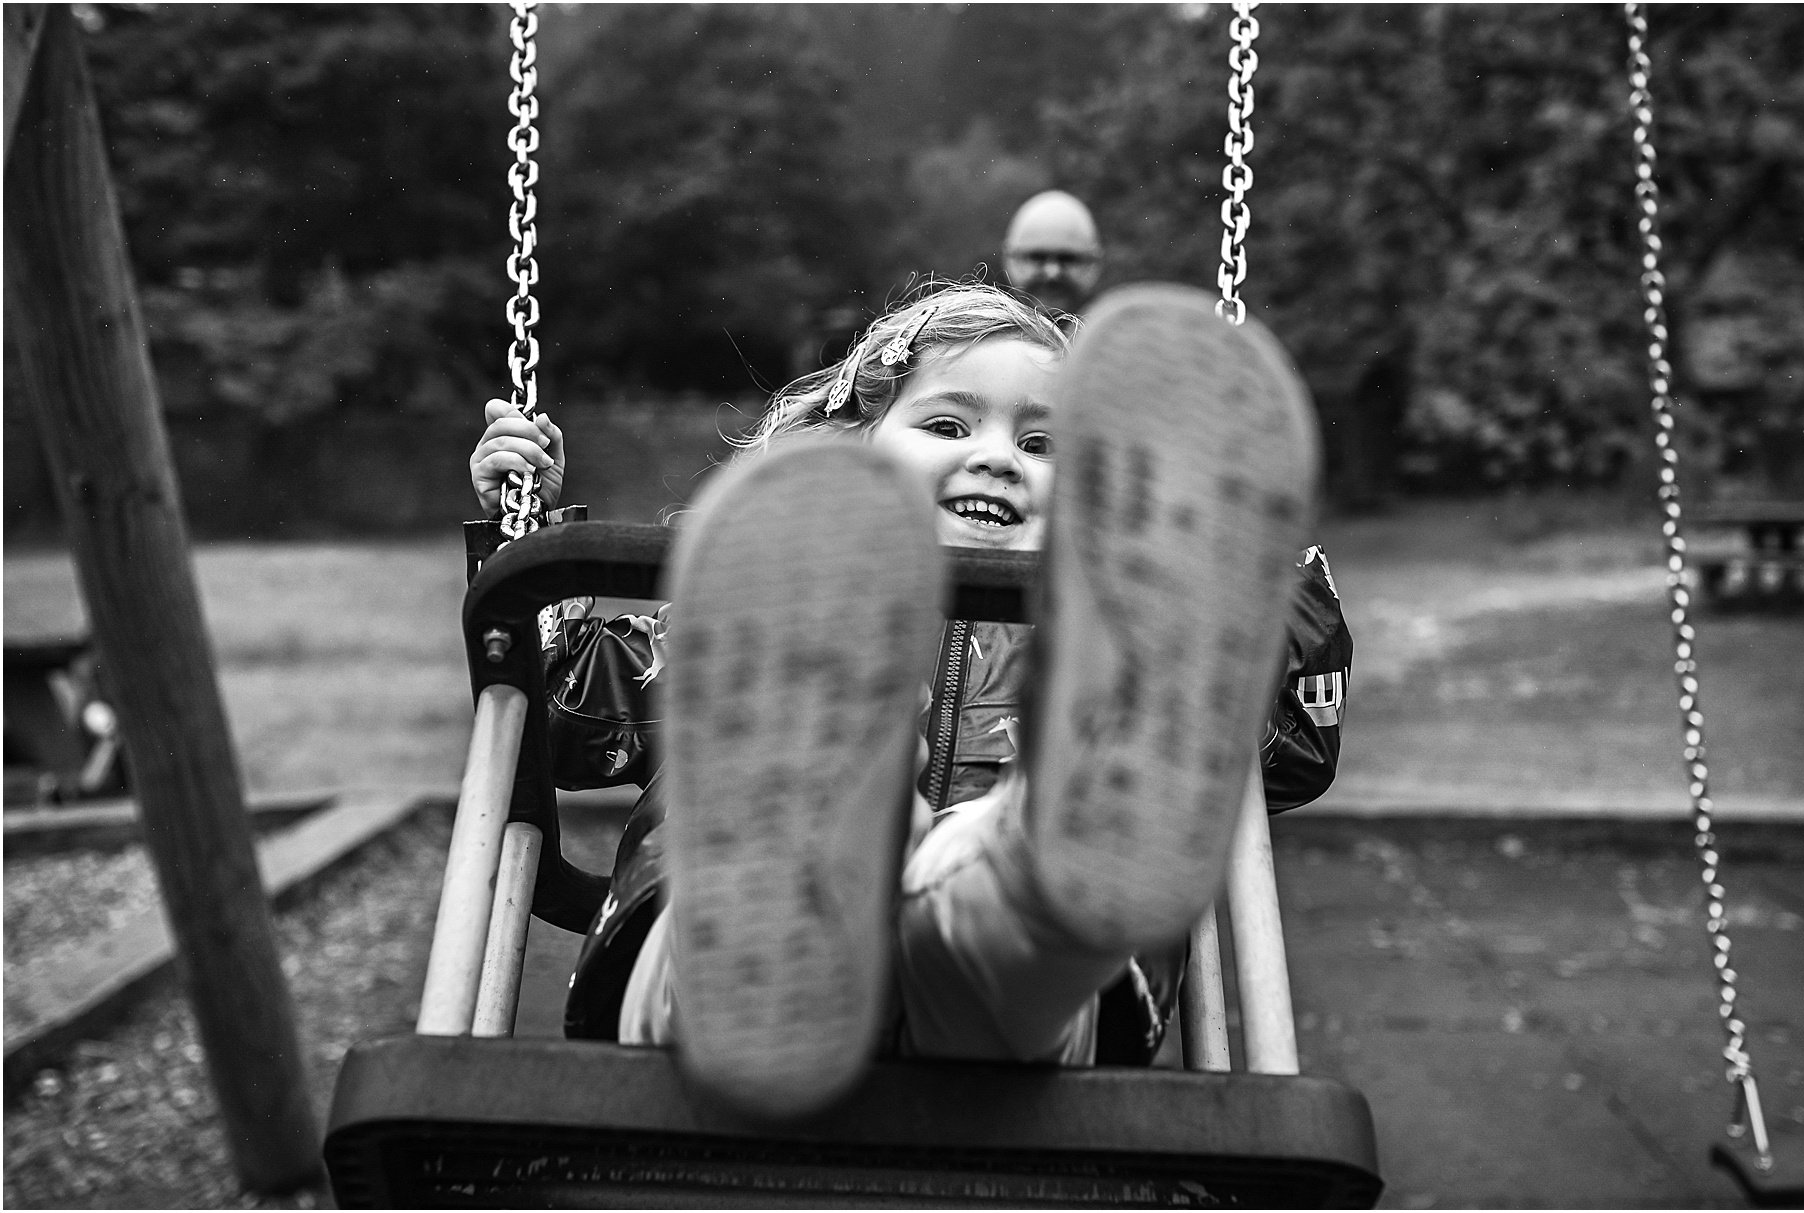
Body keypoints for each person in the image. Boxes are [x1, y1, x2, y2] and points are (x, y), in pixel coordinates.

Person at [467, 281, 1351, 1120]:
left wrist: (1261, 568)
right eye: (947, 421)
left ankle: (1024, 855)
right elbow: (561, 714)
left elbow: (1288, 747)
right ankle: (817, 859)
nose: (997, 457)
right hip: (704, 969)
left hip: (1024, 1029)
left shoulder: (1097, 645)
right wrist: (530, 528)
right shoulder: (763, 618)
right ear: (852, 446)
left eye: (1044, 446)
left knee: (1020, 888)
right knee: (804, 831)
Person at [1000, 190, 1104, 325]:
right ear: (1009, 258)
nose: (1052, 272)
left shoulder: (1117, 341)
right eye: (1037, 257)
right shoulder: (980, 343)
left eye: (1067, 258)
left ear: (1094, 263)